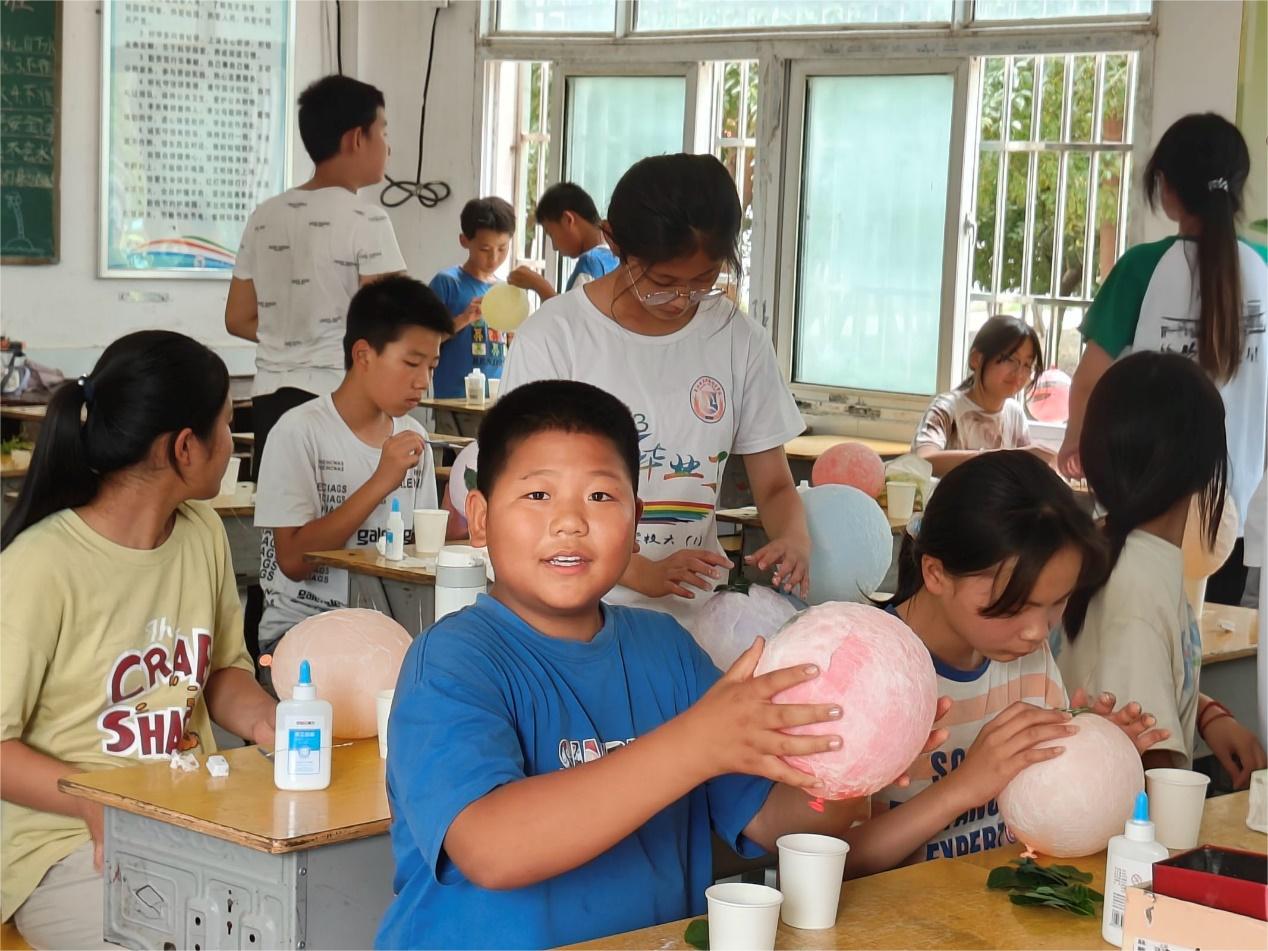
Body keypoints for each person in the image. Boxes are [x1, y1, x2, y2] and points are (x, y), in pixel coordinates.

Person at [376, 380, 947, 950]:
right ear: (479, 517)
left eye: (601, 497)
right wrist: (694, 744)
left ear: (635, 522)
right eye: (538, 495)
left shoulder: (666, 649)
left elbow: (775, 822)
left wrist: (848, 768)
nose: (570, 521)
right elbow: (491, 849)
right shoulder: (451, 662)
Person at [0, 332, 278, 949]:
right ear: (185, 448)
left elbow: (220, 673)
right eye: (228, 427)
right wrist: (93, 804)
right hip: (67, 850)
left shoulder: (201, 533)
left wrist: (270, 723)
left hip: (194, 824)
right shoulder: (40, 566)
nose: (232, 445)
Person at [501, 154, 808, 627]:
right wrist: (637, 571)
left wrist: (792, 538)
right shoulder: (556, 337)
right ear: (613, 242)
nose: (682, 301)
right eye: (662, 283)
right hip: (571, 616)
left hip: (691, 621)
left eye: (704, 282)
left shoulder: (737, 339)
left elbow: (774, 484)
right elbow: (528, 499)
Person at [842, 452, 1166, 874]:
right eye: (1014, 607)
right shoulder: (865, 674)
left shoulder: (1027, 658)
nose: (1036, 631)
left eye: (1056, 603)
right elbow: (839, 861)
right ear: (936, 574)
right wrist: (962, 788)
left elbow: (1043, 819)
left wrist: (1096, 764)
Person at [1059, 113, 1267, 605]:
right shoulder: (1264, 268)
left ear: (1167, 188)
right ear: (1237, 189)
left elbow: (1091, 379)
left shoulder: (1141, 268)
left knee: (1138, 634)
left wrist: (1075, 437)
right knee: (1203, 639)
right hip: (1233, 512)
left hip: (1142, 505)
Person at [1056, 352, 1267, 788]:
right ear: (1204, 465)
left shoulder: (1117, 547)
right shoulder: (1138, 584)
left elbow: (1130, 672)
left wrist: (1206, 711)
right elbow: (1154, 767)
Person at [254, 276, 451, 662]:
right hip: (305, 629)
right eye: (412, 363)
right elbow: (293, 561)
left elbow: (419, 553)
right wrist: (381, 481)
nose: (423, 381)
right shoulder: (300, 431)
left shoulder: (413, 438)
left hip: (389, 629)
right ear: (363, 356)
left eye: (432, 366)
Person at [225, 75, 406, 479]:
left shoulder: (264, 216)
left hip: (269, 400)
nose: (389, 146)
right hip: (341, 399)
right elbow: (392, 325)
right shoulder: (368, 219)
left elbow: (237, 318)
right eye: (384, 132)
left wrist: (290, 334)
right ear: (356, 138)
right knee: (346, 531)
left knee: (283, 526)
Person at [912, 315, 1054, 476]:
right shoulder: (947, 409)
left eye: (1027, 364)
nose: (1019, 372)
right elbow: (922, 460)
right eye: (1010, 359)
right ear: (976, 359)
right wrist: (1004, 458)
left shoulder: (1014, 413)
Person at [429, 197, 516, 399]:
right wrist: (464, 319)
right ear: (464, 240)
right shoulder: (447, 283)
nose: (494, 258)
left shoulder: (504, 289)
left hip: (497, 400)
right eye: (485, 249)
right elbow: (423, 341)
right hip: (454, 400)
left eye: (502, 248)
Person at [507, 182, 618, 301]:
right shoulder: (617, 258)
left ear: (568, 219)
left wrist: (539, 285)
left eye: (551, 234)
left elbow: (572, 317)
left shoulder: (590, 263)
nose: (554, 247)